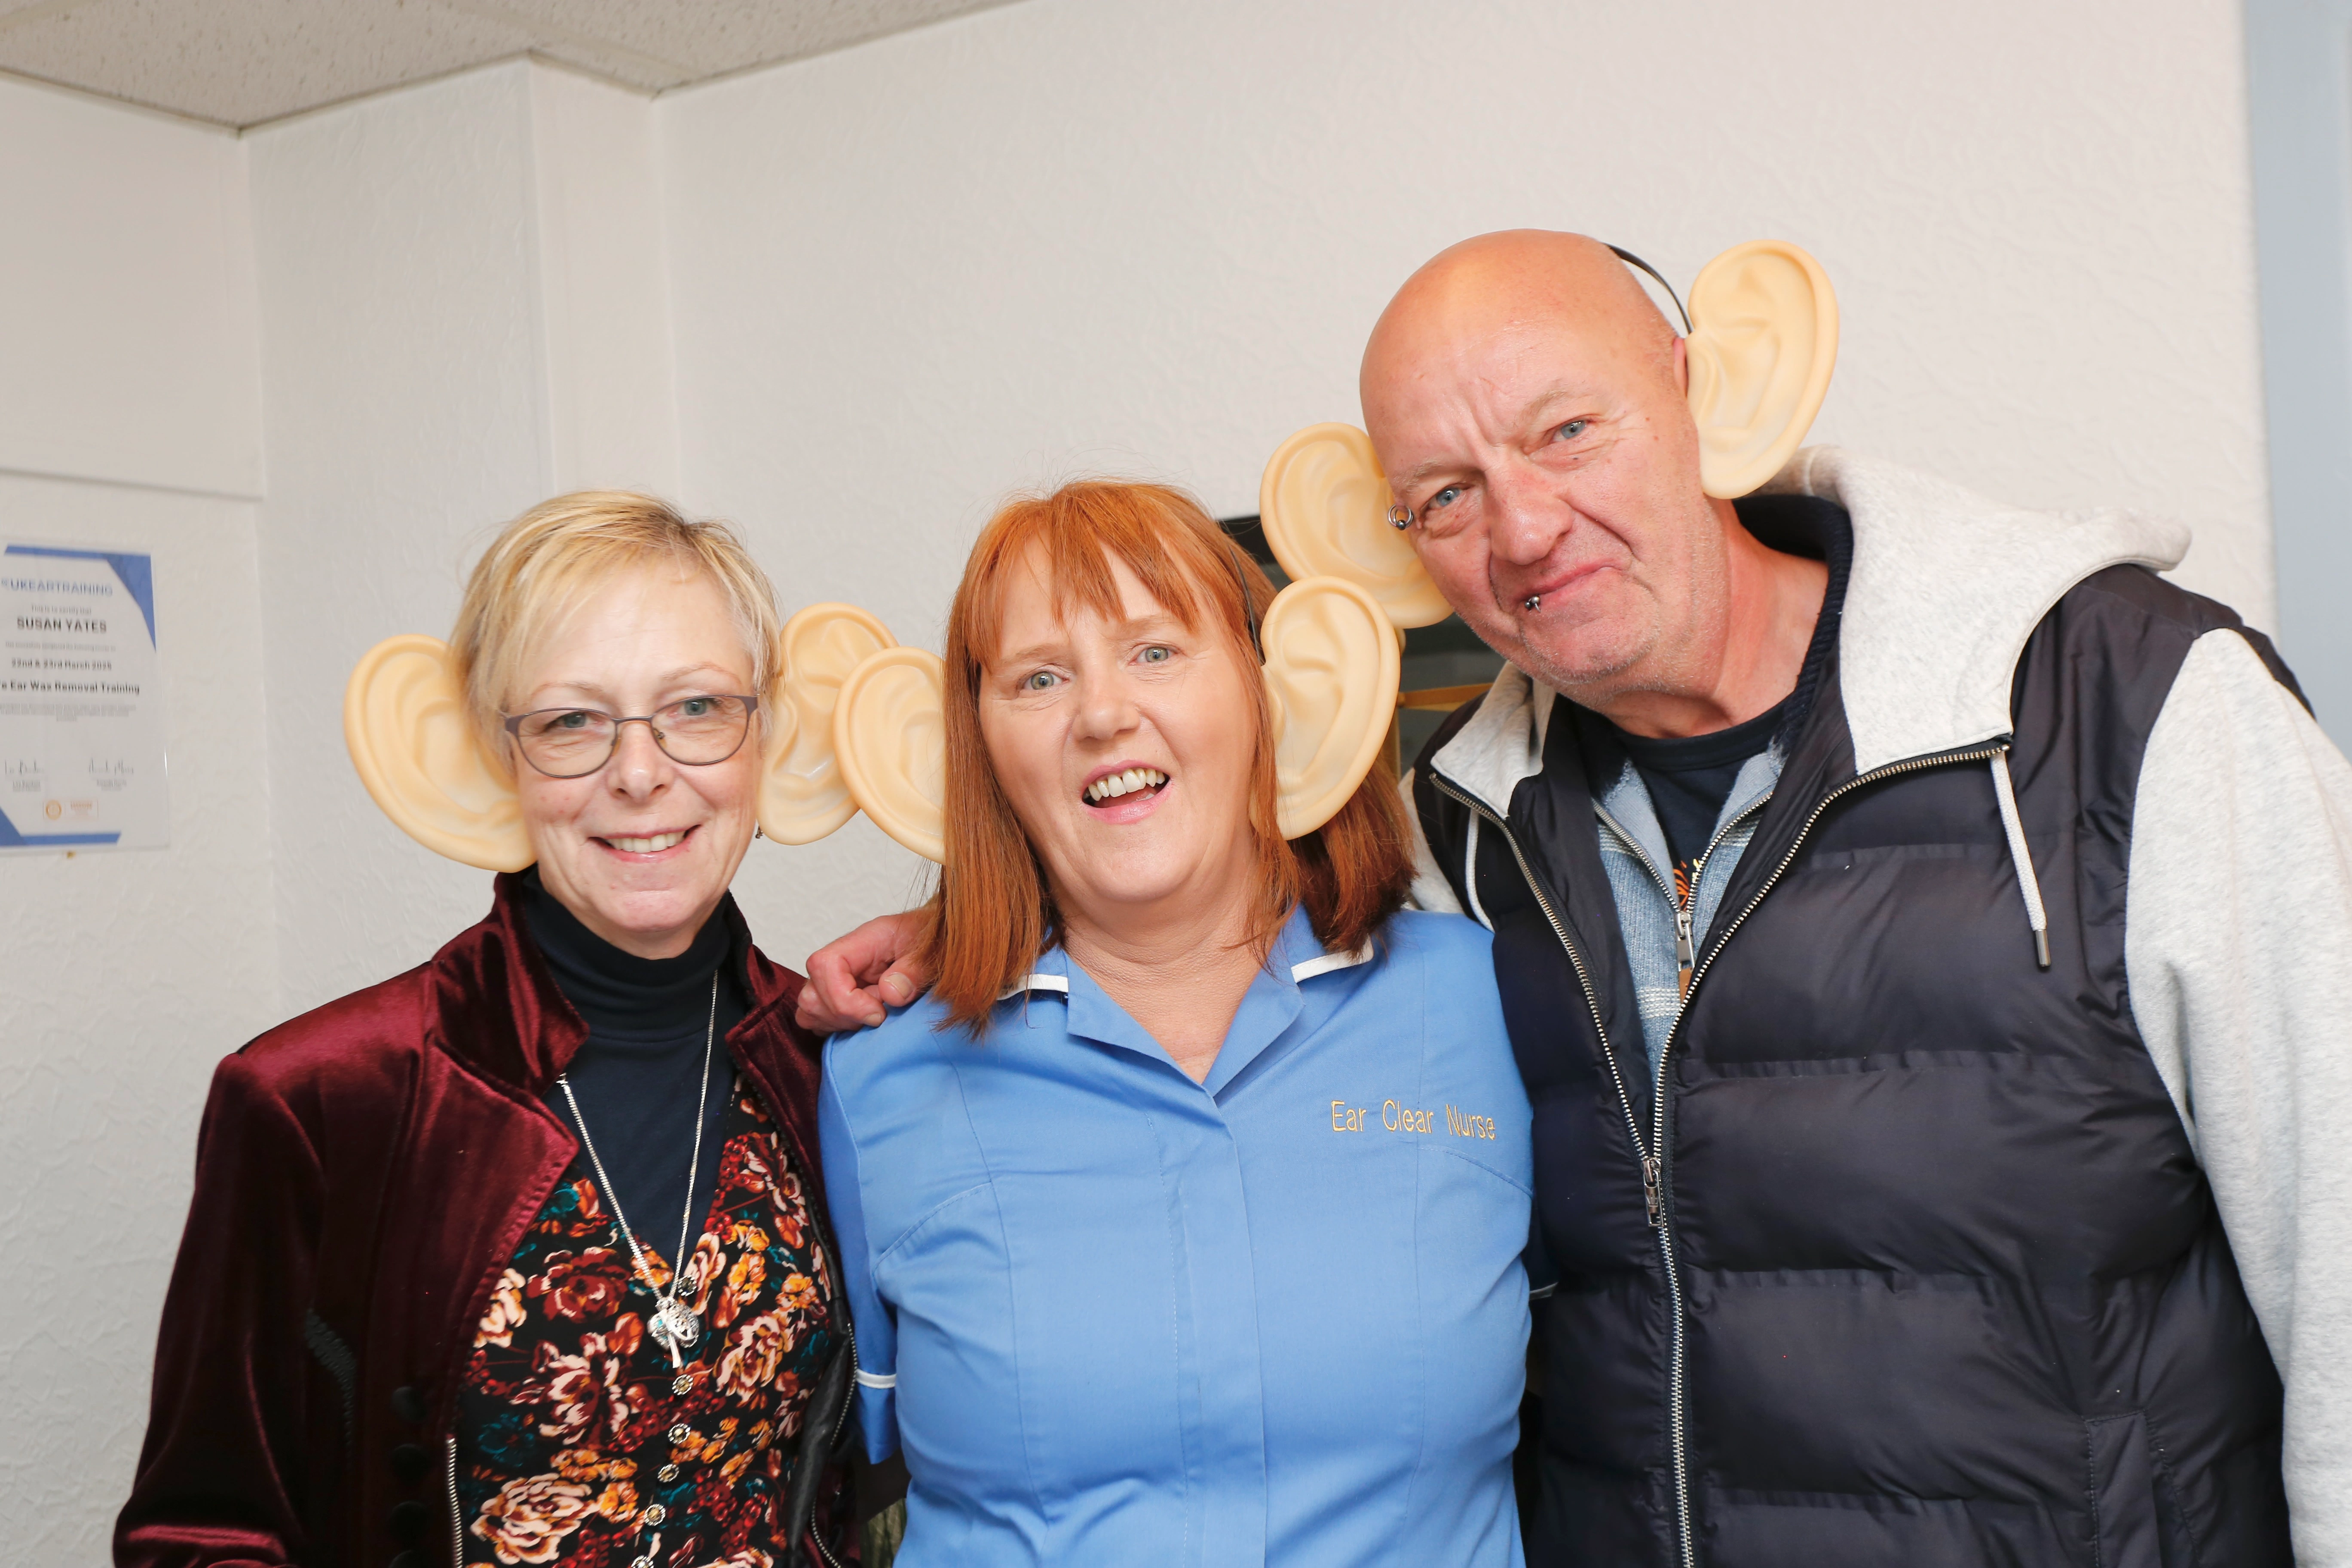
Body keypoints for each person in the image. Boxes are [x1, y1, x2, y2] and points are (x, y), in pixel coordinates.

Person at [802, 232, 2352, 1565]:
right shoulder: (1473, 837)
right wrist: (972, 936)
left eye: (1567, 429)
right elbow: (1182, 885)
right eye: (1449, 492)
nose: (1526, 526)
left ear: (1704, 389)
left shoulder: (2127, 709)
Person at [119, 494, 862, 1568]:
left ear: (764, 735)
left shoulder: (836, 1058)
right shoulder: (324, 1099)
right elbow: (202, 1533)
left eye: (697, 707)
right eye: (572, 722)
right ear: (492, 754)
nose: (641, 773)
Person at [816, 481, 1533, 1565]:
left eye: (1156, 651)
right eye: (1039, 678)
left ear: (1266, 692)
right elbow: (832, 1480)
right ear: (983, 752)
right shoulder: (878, 1076)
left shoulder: (1488, 1005)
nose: (1102, 714)